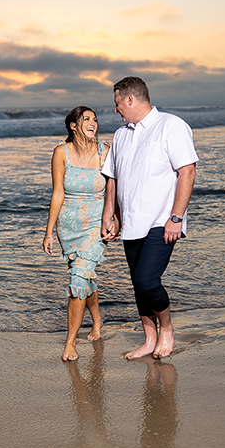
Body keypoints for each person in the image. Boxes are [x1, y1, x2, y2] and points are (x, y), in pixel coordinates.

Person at [100, 76, 198, 359]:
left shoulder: (171, 125)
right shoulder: (121, 135)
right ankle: (149, 339)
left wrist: (176, 218)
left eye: (117, 103)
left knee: (146, 280)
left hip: (161, 220)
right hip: (131, 222)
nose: (116, 109)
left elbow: (187, 171)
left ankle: (166, 328)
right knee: (137, 285)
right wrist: (111, 214)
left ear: (130, 99)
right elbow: (113, 178)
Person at [43, 106, 115, 361]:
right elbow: (58, 194)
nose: (93, 123)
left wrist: (115, 218)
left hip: (96, 224)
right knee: (83, 276)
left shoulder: (105, 151)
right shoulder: (61, 152)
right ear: (73, 125)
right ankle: (97, 320)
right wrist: (49, 231)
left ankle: (70, 342)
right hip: (69, 225)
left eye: (95, 119)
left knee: (78, 281)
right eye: (86, 119)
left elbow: (113, 190)